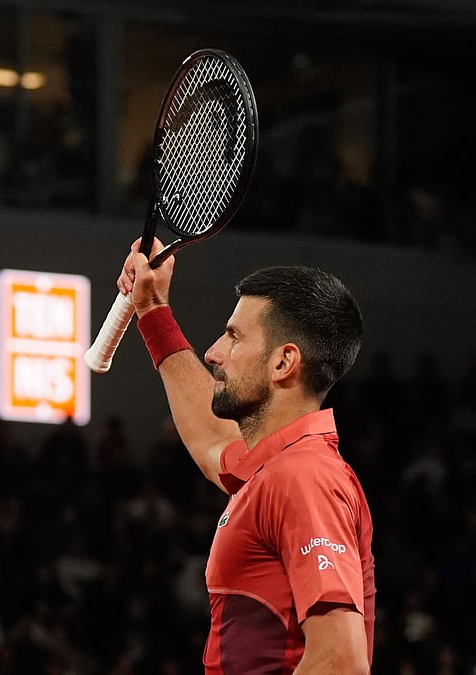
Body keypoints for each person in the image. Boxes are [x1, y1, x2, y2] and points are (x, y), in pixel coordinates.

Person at [117, 237, 376, 674]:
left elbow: (342, 662)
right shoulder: (274, 469)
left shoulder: (303, 476)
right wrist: (153, 309)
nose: (214, 352)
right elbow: (210, 441)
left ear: (283, 363)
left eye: (234, 337)